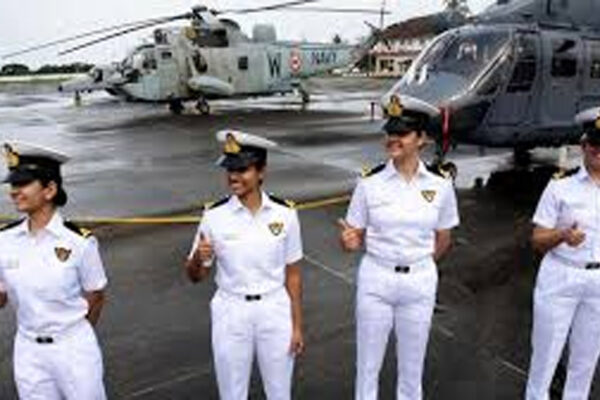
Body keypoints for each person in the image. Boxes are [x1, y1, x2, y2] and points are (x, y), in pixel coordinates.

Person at [339, 96, 460, 400]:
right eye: (390, 132)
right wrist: (350, 242)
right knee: (367, 367)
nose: (392, 139)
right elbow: (354, 235)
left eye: (402, 133)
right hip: (376, 279)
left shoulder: (440, 185)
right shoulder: (369, 183)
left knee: (412, 368)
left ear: (421, 139)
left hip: (419, 281)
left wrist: (418, 263)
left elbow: (444, 237)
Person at [185, 130, 304, 400]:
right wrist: (198, 258)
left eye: (242, 170)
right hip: (231, 310)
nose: (233, 177)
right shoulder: (214, 216)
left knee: (279, 393)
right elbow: (195, 275)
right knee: (232, 393)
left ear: (261, 172)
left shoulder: (285, 214)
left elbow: (293, 274)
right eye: (230, 169)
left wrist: (297, 326)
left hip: (274, 309)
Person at [0, 142, 108, 399]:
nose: (14, 192)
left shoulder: (79, 242)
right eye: (13, 185)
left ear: (49, 190)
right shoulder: (4, 240)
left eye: (23, 184)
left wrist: (72, 335)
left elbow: (96, 295)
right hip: (28, 351)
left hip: (73, 348)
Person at [526, 108, 600, 400]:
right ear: (583, 145)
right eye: (594, 143)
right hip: (560, 276)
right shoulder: (560, 185)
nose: (598, 150)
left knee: (585, 361)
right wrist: (562, 235)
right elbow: (537, 239)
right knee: (545, 357)